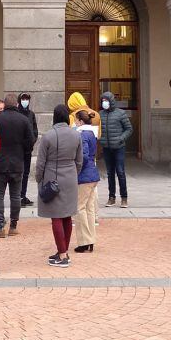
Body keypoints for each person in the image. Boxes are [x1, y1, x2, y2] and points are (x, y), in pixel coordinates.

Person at [36, 104, 83, 267]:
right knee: (67, 215)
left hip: (52, 176)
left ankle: (62, 255)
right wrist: (73, 174)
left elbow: (40, 163)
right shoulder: (76, 135)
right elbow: (79, 161)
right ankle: (63, 250)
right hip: (70, 176)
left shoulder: (48, 136)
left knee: (56, 216)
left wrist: (39, 179)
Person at [0, 94, 34, 237]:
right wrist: (23, 151)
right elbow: (30, 141)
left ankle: (0, 227)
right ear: (16, 105)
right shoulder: (23, 120)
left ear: (5, 104)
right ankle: (13, 226)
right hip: (17, 162)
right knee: (15, 196)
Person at [97, 90, 133, 208]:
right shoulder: (100, 114)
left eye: (106, 101)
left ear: (111, 101)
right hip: (107, 148)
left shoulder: (121, 114)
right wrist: (100, 139)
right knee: (110, 173)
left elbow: (129, 129)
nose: (104, 103)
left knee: (120, 172)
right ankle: (111, 197)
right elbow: (98, 129)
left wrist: (121, 139)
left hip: (119, 147)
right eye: (103, 101)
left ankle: (124, 198)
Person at [73, 108, 101, 253]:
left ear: (80, 121)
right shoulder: (91, 133)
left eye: (76, 120)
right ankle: (91, 240)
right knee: (89, 208)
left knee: (80, 208)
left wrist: (76, 170)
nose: (75, 122)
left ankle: (84, 241)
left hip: (84, 175)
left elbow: (82, 156)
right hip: (93, 174)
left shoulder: (82, 134)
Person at [17, 92, 39, 207]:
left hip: (28, 149)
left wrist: (32, 140)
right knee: (18, 173)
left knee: (26, 173)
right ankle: (17, 196)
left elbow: (35, 130)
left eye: (27, 99)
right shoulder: (17, 114)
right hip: (18, 150)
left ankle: (23, 195)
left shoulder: (31, 114)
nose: (25, 101)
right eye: (23, 99)